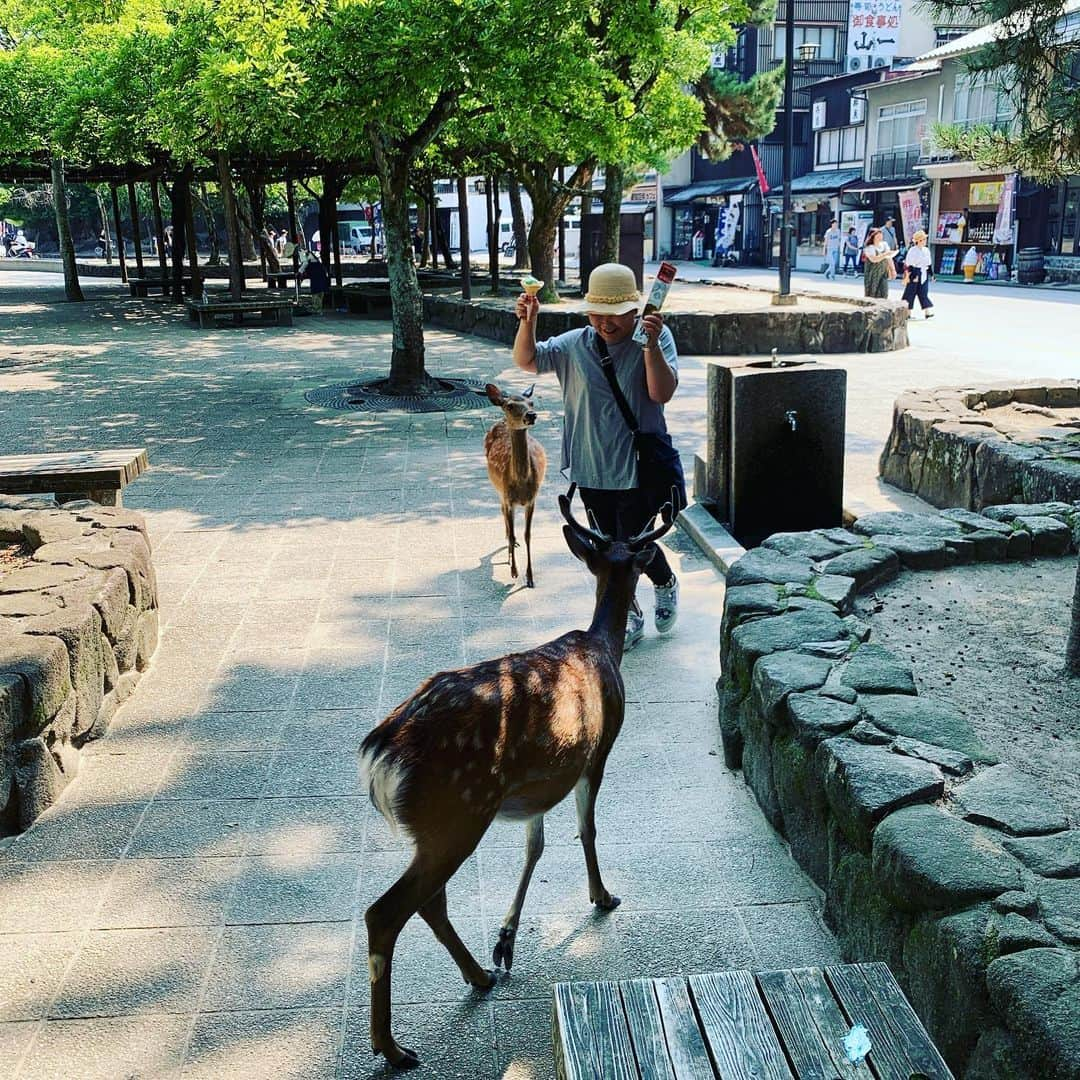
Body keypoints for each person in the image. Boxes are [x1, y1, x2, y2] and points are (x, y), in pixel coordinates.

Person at [512, 262, 681, 652]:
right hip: (590, 466)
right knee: (609, 548)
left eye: (616, 315)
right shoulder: (575, 344)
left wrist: (651, 347)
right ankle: (633, 609)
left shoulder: (655, 337)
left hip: (639, 467)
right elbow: (528, 360)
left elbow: (661, 393)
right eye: (597, 313)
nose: (606, 323)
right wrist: (529, 320)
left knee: (631, 543)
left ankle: (663, 584)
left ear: (634, 311)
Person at [902, 229, 934, 318]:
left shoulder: (926, 250)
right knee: (910, 292)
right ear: (919, 241)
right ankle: (907, 313)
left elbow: (929, 264)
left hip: (924, 272)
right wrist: (913, 275)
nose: (925, 241)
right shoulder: (912, 250)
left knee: (923, 292)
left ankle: (927, 312)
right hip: (914, 272)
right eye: (924, 239)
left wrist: (932, 275)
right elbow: (909, 264)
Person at [862, 226, 897, 299]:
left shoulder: (884, 244)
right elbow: (874, 259)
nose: (880, 237)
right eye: (878, 236)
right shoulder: (869, 248)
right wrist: (885, 254)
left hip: (883, 272)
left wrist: (893, 270)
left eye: (881, 235)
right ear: (873, 237)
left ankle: (882, 309)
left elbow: (889, 258)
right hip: (872, 274)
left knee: (884, 292)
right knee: (871, 294)